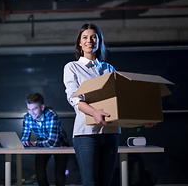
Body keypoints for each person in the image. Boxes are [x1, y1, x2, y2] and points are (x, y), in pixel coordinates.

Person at [63, 23, 155, 186]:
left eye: (93, 37)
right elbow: (74, 99)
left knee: (105, 183)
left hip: (110, 133)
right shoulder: (72, 67)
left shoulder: (108, 69)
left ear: (99, 42)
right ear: (79, 42)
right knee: (90, 183)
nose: (89, 40)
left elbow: (120, 101)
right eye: (85, 37)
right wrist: (94, 112)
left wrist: (142, 119)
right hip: (86, 134)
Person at [21, 93, 70, 186]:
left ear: (42, 107)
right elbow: (25, 137)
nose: (31, 113)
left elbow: (52, 142)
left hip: (60, 145)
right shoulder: (27, 117)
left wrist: (34, 144)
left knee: (59, 175)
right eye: (29, 109)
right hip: (42, 144)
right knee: (39, 172)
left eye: (35, 109)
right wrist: (25, 142)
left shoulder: (52, 116)